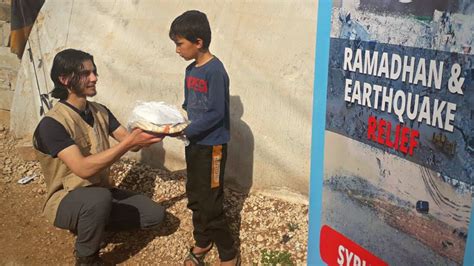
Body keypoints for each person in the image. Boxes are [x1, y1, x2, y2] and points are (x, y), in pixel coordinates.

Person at [33, 48, 165, 266]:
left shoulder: (99, 111)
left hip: (101, 192)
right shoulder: (52, 124)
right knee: (98, 200)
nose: (94, 78)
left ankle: (93, 223)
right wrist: (128, 143)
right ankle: (87, 258)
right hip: (66, 199)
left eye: (94, 72)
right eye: (85, 73)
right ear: (65, 79)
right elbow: (83, 169)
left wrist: (162, 130)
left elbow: (129, 141)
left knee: (154, 215)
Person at [169, 10, 239, 266]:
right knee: (195, 194)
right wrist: (175, 119)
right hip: (194, 144)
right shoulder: (190, 70)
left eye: (180, 44)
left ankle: (228, 251)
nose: (177, 50)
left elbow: (217, 113)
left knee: (211, 200)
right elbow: (189, 104)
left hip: (213, 147)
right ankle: (203, 239)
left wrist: (187, 130)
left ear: (198, 42)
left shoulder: (215, 71)